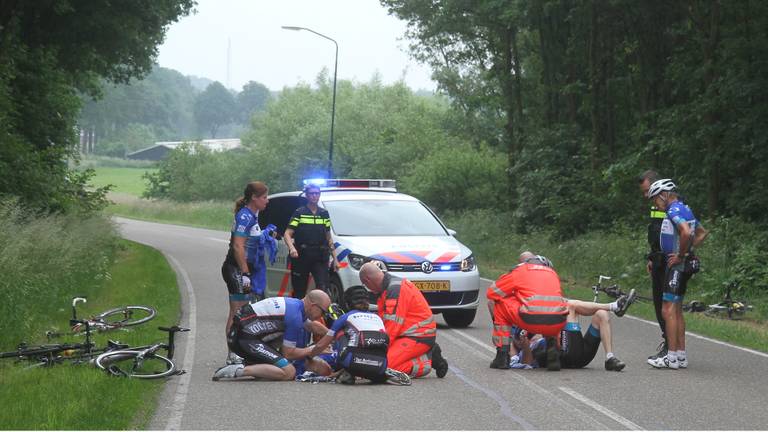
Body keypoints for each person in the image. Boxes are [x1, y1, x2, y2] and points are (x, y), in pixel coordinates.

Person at [646, 178, 708, 369]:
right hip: (683, 264)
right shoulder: (684, 208)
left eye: (656, 199)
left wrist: (681, 255)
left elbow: (686, 232)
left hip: (677, 266)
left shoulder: (673, 210)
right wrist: (689, 251)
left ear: (664, 195)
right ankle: (680, 355)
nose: (655, 203)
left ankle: (671, 357)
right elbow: (702, 232)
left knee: (668, 309)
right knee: (677, 309)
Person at [212, 290, 333, 381]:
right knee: (289, 372)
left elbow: (312, 326)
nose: (322, 316)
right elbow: (289, 353)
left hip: (242, 332)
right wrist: (314, 349)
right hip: (244, 339)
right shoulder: (295, 317)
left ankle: (253, 364)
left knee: (274, 368)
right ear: (313, 306)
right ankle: (238, 370)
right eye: (323, 312)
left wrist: (332, 334)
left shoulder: (295, 305)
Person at [358, 262, 449, 378]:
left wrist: (377, 348)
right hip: (406, 334)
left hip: (419, 336)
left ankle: (428, 360)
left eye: (365, 285)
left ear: (367, 280)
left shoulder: (394, 290)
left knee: (381, 365)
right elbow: (384, 323)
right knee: (378, 362)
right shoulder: (387, 288)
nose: (368, 289)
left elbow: (392, 327)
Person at [307, 285, 411, 385]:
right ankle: (379, 374)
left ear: (347, 303)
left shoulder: (346, 317)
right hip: (381, 364)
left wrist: (309, 357)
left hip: (352, 362)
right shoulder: (378, 318)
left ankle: (345, 371)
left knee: (341, 332)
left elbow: (322, 344)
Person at [510, 294, 637, 371]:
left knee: (601, 314)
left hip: (582, 356)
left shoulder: (535, 322)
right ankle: (614, 306)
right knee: (569, 306)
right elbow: (527, 365)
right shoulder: (518, 345)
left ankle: (610, 358)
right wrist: (525, 346)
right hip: (565, 355)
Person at [486, 252, 568, 370]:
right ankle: (553, 354)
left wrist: (515, 296)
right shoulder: (553, 273)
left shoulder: (520, 271)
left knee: (499, 304)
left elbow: (492, 293)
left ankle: (502, 356)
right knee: (551, 309)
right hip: (557, 322)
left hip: (530, 319)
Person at [220, 181, 272, 365]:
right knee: (236, 314)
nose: (267, 200)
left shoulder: (253, 215)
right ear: (254, 198)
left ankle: (241, 351)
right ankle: (232, 354)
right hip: (236, 269)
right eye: (264, 197)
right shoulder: (245, 216)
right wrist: (245, 273)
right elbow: (238, 246)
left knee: (244, 314)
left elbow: (251, 241)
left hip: (244, 269)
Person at [283, 183, 340, 298]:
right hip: (302, 256)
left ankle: (321, 309)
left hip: (320, 256)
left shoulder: (324, 214)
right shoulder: (299, 213)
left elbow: (328, 237)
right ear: (307, 195)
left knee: (323, 288)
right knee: (299, 291)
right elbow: (287, 234)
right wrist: (292, 248)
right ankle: (300, 309)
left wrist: (335, 259)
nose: (314, 196)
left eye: (317, 193)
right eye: (312, 193)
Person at [638, 170, 669, 361]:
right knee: (659, 304)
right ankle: (670, 344)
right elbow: (656, 233)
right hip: (657, 259)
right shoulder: (656, 204)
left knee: (666, 305)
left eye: (647, 190)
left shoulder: (669, 203)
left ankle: (671, 346)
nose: (645, 195)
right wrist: (651, 257)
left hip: (668, 261)